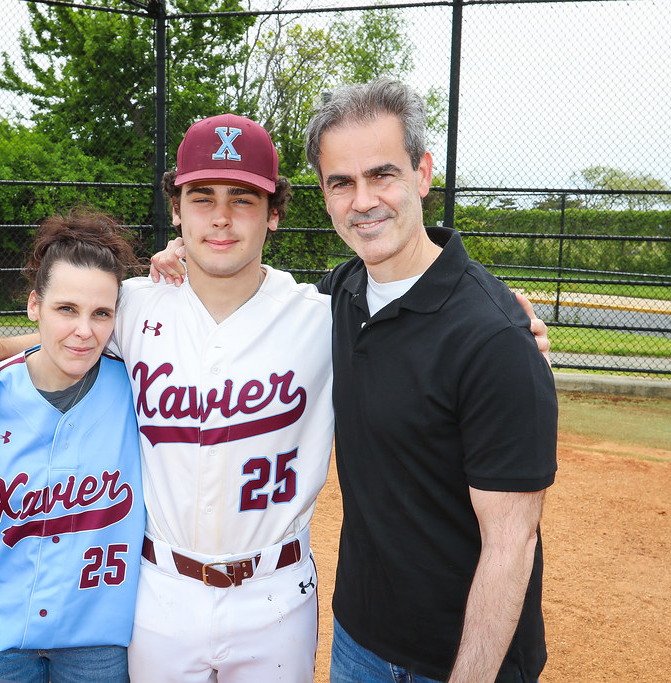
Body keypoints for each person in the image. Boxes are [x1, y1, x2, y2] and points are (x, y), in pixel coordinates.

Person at [150, 78, 557, 683]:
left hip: (458, 657)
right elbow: (240, 313)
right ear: (325, 193)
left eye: (382, 174)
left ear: (422, 174)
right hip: (358, 639)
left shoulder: (495, 337)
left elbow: (512, 544)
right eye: (343, 182)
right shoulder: (341, 298)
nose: (363, 200)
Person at [0, 114, 336, 682]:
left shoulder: (320, 318)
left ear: (274, 214)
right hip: (161, 592)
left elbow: (413, 311)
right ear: (176, 210)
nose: (221, 217)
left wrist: (501, 310)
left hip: (276, 593)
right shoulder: (136, 304)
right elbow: (64, 334)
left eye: (244, 199)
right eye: (202, 197)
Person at [0, 209, 146, 683]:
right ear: (33, 306)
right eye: (66, 309)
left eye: (100, 313)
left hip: (98, 643)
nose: (84, 330)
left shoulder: (139, 394)